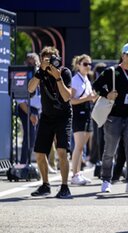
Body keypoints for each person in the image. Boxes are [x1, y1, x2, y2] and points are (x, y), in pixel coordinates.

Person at [93, 42, 128, 194]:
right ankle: (106, 179)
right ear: (122, 55)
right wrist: (107, 94)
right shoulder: (112, 71)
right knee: (110, 150)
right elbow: (96, 85)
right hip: (114, 116)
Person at [28, 46, 73, 198]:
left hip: (63, 116)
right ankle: (45, 185)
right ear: (41, 60)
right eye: (46, 59)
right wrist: (40, 71)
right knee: (40, 153)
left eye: (52, 58)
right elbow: (30, 88)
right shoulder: (40, 73)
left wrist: (58, 77)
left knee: (62, 151)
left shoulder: (64, 72)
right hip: (47, 116)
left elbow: (67, 97)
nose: (49, 61)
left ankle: (65, 186)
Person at [70, 54, 96, 185]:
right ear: (78, 65)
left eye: (89, 64)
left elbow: (89, 97)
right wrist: (88, 98)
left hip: (87, 112)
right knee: (78, 146)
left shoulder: (86, 79)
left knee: (82, 146)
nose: (88, 66)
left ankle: (78, 172)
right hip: (78, 113)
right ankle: (74, 174)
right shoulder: (75, 79)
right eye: (85, 64)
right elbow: (72, 100)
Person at [17, 53, 41, 165]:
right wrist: (30, 114)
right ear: (26, 63)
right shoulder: (23, 75)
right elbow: (20, 101)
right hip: (27, 109)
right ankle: (23, 163)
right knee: (29, 137)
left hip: (37, 110)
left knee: (34, 139)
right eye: (30, 63)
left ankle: (27, 163)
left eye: (35, 63)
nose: (32, 65)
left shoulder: (39, 76)